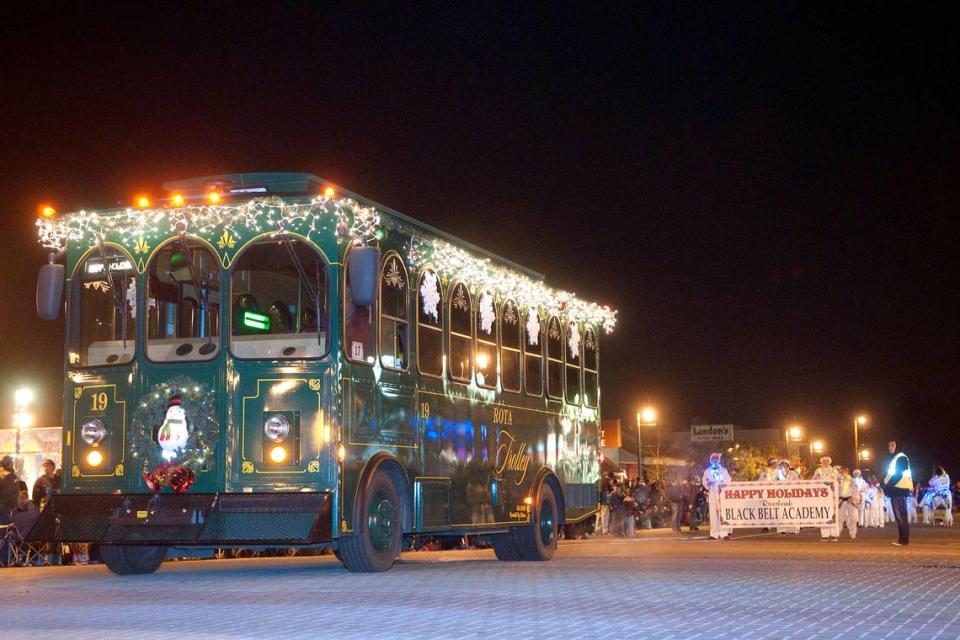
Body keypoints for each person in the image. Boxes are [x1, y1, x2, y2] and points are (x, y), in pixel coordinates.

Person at [883, 440, 913, 546]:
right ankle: (902, 539)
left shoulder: (901, 457)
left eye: (892, 445)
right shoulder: (897, 457)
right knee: (900, 516)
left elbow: (899, 474)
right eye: (889, 445)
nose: (889, 447)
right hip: (897, 489)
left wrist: (888, 487)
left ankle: (904, 540)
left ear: (898, 446)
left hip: (899, 489)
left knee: (901, 515)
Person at [701, 452, 731, 540]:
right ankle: (714, 533)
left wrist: (723, 485)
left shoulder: (724, 470)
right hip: (713, 494)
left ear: (719, 460)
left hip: (721, 494)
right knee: (713, 513)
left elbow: (728, 480)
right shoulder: (707, 471)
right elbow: (704, 481)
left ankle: (724, 533)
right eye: (713, 458)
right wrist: (708, 483)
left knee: (722, 513)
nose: (715, 460)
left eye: (716, 458)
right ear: (711, 460)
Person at [812, 456, 841, 541]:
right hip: (822, 495)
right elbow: (813, 481)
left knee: (833, 514)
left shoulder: (834, 471)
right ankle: (824, 535)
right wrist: (815, 478)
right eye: (824, 461)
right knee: (823, 513)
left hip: (832, 495)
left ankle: (834, 534)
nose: (825, 462)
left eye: (827, 461)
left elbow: (839, 481)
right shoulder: (818, 470)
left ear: (830, 462)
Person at [837, 467, 861, 540]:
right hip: (841, 500)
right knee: (840, 518)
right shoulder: (838, 481)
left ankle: (852, 534)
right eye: (840, 472)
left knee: (853, 518)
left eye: (843, 472)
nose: (841, 473)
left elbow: (856, 490)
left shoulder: (852, 480)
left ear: (847, 472)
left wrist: (853, 498)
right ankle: (837, 533)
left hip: (850, 500)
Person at [776, 460, 800, 534]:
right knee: (781, 512)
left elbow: (798, 482)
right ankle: (782, 529)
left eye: (785, 465)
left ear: (788, 465)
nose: (784, 466)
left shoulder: (793, 473)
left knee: (792, 511)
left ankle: (793, 529)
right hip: (780, 495)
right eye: (782, 465)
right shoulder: (778, 473)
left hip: (791, 495)